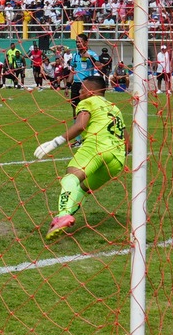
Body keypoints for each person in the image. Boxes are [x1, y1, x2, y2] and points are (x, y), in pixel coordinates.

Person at [38, 73, 130, 243]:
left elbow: (80, 125)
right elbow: (128, 145)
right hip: (117, 159)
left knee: (71, 178)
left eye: (82, 88)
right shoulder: (114, 108)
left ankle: (63, 215)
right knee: (82, 188)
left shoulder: (87, 102)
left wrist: (54, 142)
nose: (80, 91)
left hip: (96, 147)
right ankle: (61, 218)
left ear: (91, 91)